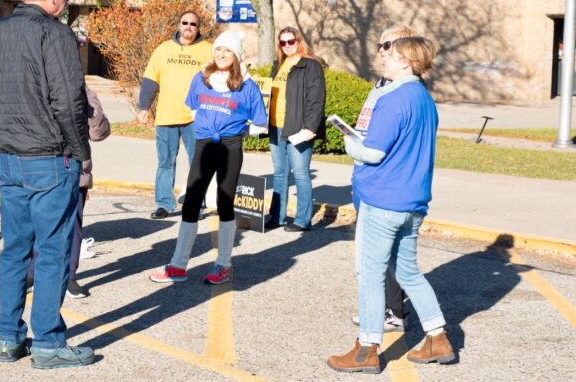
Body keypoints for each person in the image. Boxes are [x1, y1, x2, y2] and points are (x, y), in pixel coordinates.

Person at [0, 0, 95, 370]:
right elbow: (69, 101)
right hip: (47, 157)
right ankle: (47, 342)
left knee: (14, 251)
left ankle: (9, 338)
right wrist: (79, 152)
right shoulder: (54, 33)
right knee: (52, 253)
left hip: (7, 158)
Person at [327, 36, 455, 374]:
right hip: (412, 200)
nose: (385, 59)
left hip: (382, 198)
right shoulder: (424, 99)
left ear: (407, 61)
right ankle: (437, 336)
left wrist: (348, 141)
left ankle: (367, 348)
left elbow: (372, 152)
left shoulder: (395, 98)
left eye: (392, 55)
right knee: (408, 272)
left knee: (369, 273)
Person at [149, 30, 267, 285]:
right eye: (218, 50)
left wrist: (237, 131)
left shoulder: (247, 85)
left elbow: (260, 124)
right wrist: (205, 126)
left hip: (230, 147)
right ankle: (178, 265)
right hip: (203, 145)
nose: (222, 54)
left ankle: (223, 265)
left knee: (225, 203)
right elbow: (192, 107)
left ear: (236, 55)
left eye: (227, 50)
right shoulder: (201, 78)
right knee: (191, 202)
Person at [350, 25, 418, 334]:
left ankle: (391, 314)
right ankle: (380, 310)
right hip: (364, 176)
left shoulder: (406, 90)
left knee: (381, 258)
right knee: (372, 255)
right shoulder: (382, 84)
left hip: (384, 184)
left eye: (386, 45)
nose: (380, 51)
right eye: (379, 45)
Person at [26, 85, 111, 299]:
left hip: (62, 168)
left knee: (59, 224)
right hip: (54, 165)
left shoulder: (80, 90)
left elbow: (99, 132)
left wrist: (91, 108)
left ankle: (56, 274)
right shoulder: (44, 85)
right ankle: (44, 274)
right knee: (57, 224)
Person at [137, 11, 212, 220]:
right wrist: (144, 107)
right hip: (166, 116)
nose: (188, 26)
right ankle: (164, 203)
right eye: (185, 22)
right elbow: (151, 81)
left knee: (198, 162)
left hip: (196, 118)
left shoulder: (208, 50)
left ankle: (195, 202)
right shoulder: (163, 49)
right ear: (179, 24)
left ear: (198, 27)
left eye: (193, 24)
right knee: (165, 162)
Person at [266, 27, 326, 232]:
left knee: (300, 174)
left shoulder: (311, 66)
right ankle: (277, 216)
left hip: (298, 127)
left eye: (290, 41)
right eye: (283, 43)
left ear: (299, 41)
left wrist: (310, 127)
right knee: (280, 173)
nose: (287, 46)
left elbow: (316, 100)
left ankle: (302, 220)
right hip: (275, 126)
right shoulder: (278, 65)